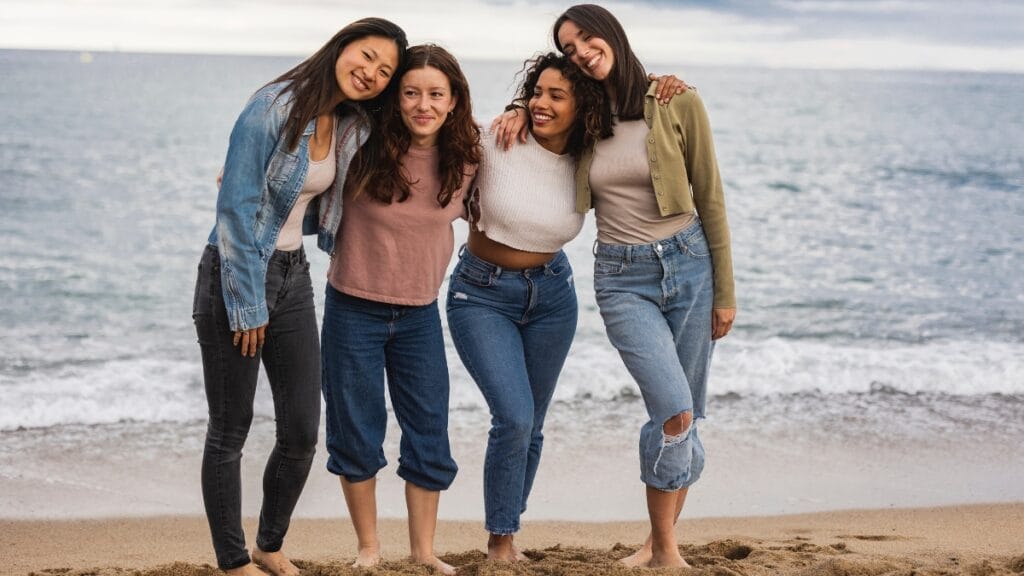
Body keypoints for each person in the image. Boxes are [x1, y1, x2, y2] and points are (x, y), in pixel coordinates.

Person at [192, 18, 407, 576]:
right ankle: (233, 560)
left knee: (302, 430)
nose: (372, 73)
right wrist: (246, 304)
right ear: (340, 48)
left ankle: (268, 543)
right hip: (236, 275)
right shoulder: (271, 106)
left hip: (293, 275)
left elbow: (308, 202)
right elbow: (236, 211)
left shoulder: (350, 122)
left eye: (385, 71)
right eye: (366, 56)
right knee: (230, 428)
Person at [555, 4, 736, 568]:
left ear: (610, 33)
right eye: (569, 48)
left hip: (690, 265)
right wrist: (516, 111)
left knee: (689, 413)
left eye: (586, 38)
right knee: (673, 410)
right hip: (620, 276)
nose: (581, 52)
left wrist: (726, 291)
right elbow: (543, 103)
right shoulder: (583, 112)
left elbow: (711, 197)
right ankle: (665, 549)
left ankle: (658, 544)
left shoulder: (675, 99)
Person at [319, 44, 480, 575]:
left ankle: (423, 552)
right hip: (352, 310)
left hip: (419, 315)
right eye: (411, 92)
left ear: (454, 100)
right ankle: (369, 549)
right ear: (396, 98)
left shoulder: (468, 160)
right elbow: (304, 153)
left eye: (436, 94)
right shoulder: (359, 141)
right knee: (355, 431)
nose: (422, 104)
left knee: (429, 432)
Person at [445, 52, 612, 562]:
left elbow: (643, 129)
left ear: (582, 105)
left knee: (532, 424)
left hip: (553, 296)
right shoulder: (496, 138)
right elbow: (428, 130)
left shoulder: (591, 156)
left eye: (555, 95)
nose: (540, 103)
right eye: (536, 92)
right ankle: (501, 541)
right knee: (514, 417)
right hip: (481, 293)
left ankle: (506, 535)